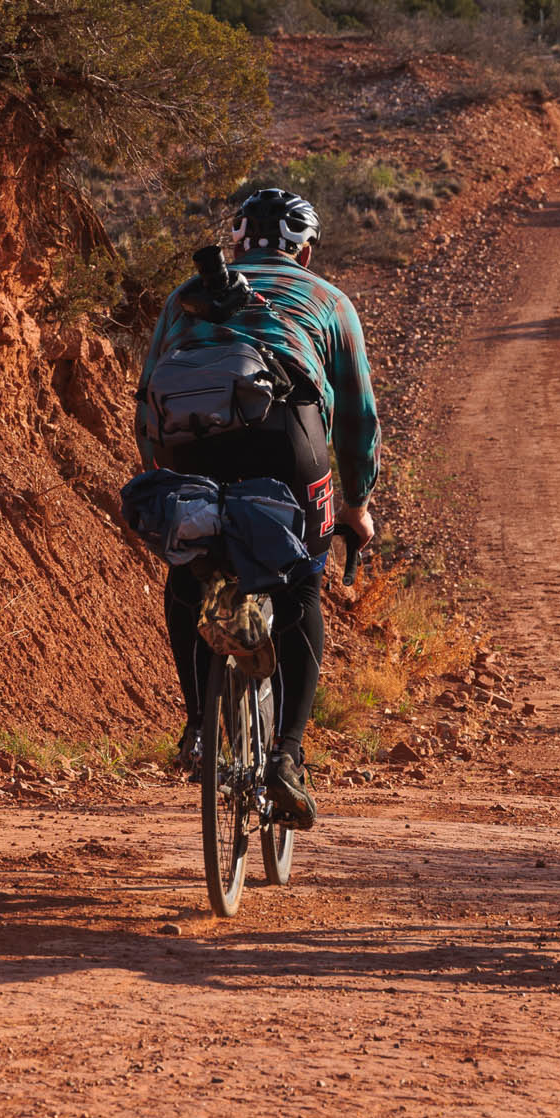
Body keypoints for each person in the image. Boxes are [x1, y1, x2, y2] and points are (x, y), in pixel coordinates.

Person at [135, 187, 379, 830]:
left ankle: (196, 727)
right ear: (304, 248)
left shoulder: (185, 294)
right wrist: (356, 503)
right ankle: (288, 758)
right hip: (288, 440)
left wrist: (158, 476)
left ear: (237, 242)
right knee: (301, 584)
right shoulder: (330, 302)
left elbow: (146, 400)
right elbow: (356, 419)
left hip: (187, 437)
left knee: (189, 567)